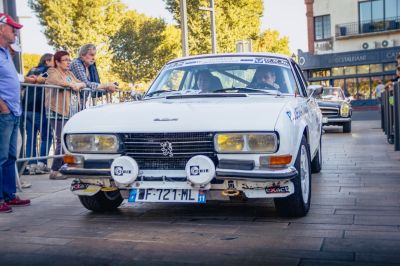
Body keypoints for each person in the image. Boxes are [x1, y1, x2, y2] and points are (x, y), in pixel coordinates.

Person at [0, 13, 31, 213]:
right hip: (5, 112)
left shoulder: (5, 53)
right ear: (1, 28)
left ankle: (9, 195)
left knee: (11, 156)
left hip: (13, 111)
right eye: (12, 29)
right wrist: (3, 106)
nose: (15, 33)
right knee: (1, 156)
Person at [45, 51, 86, 180]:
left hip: (71, 112)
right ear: (57, 62)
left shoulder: (69, 73)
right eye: (65, 60)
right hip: (57, 112)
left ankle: (68, 167)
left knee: (71, 140)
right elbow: (56, 81)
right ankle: (54, 170)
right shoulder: (53, 71)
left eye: (69, 59)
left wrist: (78, 84)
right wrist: (71, 85)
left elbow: (82, 83)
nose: (69, 62)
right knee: (61, 140)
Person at [22, 53, 54, 175]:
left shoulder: (32, 70)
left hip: (26, 108)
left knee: (31, 137)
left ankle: (32, 164)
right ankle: (42, 163)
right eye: (53, 61)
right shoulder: (48, 70)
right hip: (39, 108)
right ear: (47, 61)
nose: (54, 64)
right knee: (46, 136)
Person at [70, 44, 118, 109]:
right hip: (70, 104)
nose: (93, 58)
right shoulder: (76, 63)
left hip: (80, 104)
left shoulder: (90, 67)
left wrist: (109, 88)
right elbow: (86, 84)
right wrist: (106, 85)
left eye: (94, 55)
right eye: (91, 55)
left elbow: (93, 86)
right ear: (82, 55)